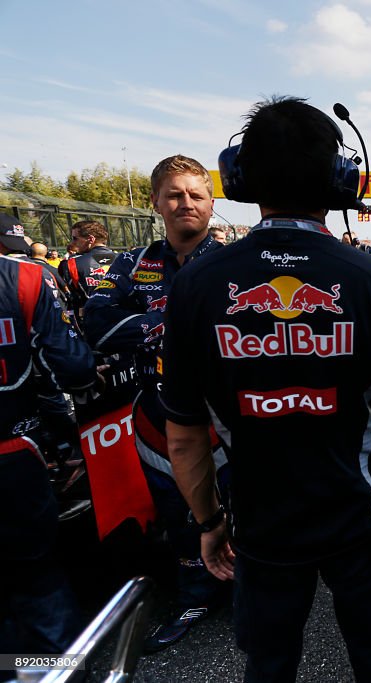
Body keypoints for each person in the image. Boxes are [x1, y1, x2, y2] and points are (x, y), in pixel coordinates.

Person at [159, 96, 371, 682]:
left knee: (269, 663)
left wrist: (210, 524)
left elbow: (185, 438)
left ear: (239, 178)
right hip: (360, 520)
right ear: (340, 179)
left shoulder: (196, 286)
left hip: (261, 525)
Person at [83, 155, 226, 653]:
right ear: (156, 202)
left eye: (195, 194)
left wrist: (150, 327)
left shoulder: (239, 261)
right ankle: (195, 597)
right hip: (157, 415)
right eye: (174, 194)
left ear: (211, 203)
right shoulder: (127, 263)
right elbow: (96, 325)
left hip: (230, 415)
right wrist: (175, 325)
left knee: (246, 506)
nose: (185, 203)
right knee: (179, 510)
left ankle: (252, 595)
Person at [0, 214, 96, 671]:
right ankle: (49, 670)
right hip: (13, 454)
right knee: (36, 581)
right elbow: (72, 367)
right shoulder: (27, 277)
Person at [58, 220, 117, 322]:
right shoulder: (126, 260)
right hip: (125, 322)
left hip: (91, 322)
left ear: (91, 239)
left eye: (75, 238)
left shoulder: (71, 264)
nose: (72, 243)